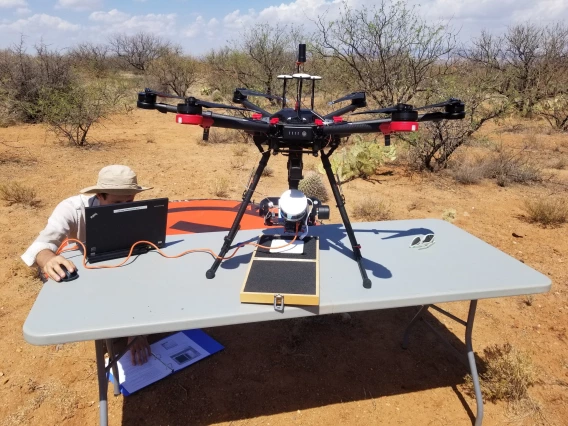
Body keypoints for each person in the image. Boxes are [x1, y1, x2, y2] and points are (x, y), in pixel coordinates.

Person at [21, 164, 154, 365]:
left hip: (121, 268)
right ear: (100, 195)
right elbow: (42, 245)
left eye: (130, 200)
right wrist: (48, 259)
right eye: (118, 202)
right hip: (85, 273)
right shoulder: (71, 209)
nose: (125, 206)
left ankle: (134, 329)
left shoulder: (133, 209)